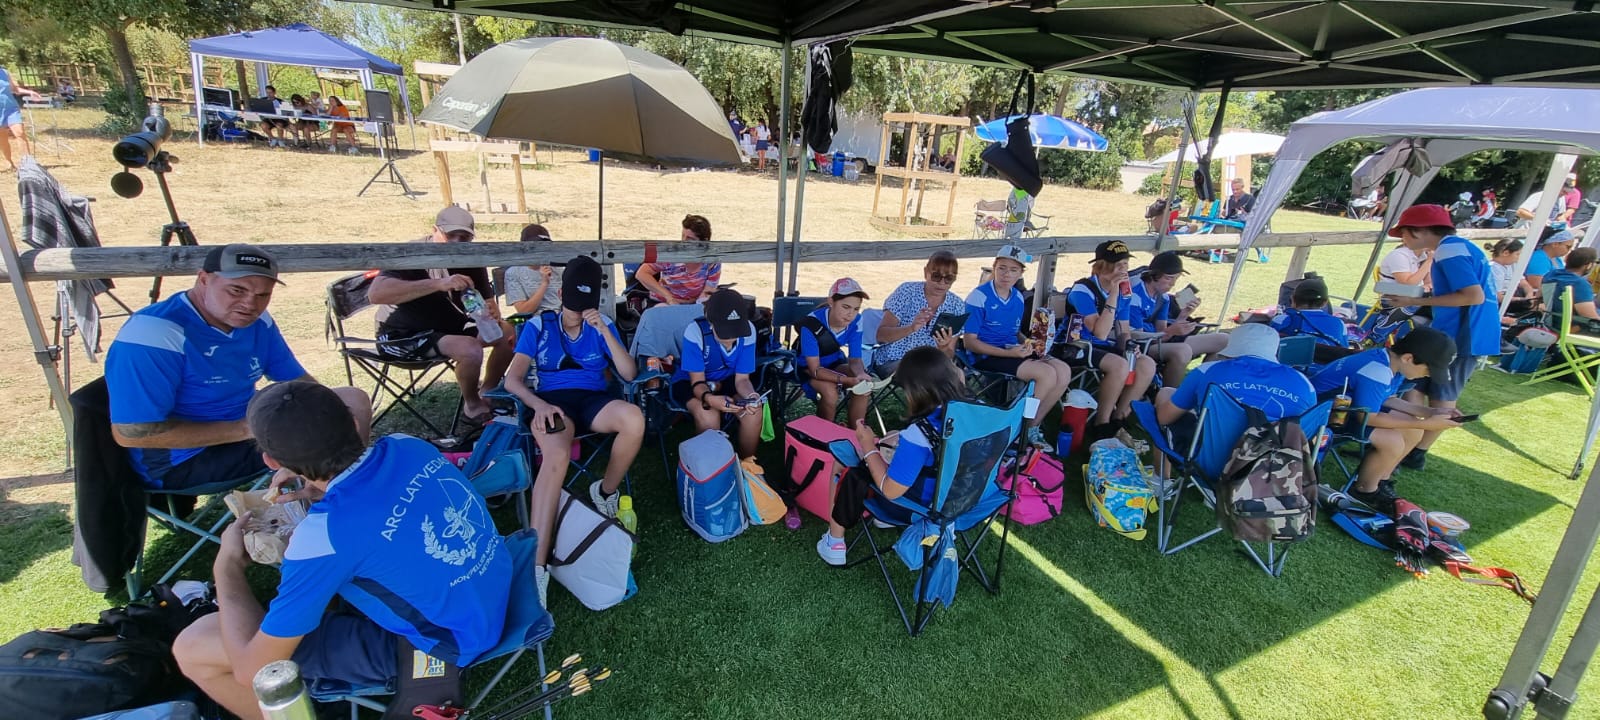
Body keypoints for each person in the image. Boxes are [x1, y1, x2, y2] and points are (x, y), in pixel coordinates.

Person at [172, 382, 510, 720]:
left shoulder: (322, 538)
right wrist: (325, 490)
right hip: (492, 592)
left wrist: (227, 567)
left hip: (445, 641)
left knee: (194, 645)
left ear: (271, 461)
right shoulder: (407, 445)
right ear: (352, 422)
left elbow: (255, 670)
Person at [105, 244, 371, 490]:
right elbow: (131, 434)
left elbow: (298, 380)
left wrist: (330, 414)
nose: (250, 304)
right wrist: (249, 429)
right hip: (184, 459)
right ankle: (340, 495)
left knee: (351, 400)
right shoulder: (155, 334)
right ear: (204, 279)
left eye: (263, 295)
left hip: (253, 427)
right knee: (314, 440)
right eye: (237, 291)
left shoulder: (257, 321)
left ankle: (338, 488)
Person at [503, 257, 643, 595]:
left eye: (585, 304)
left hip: (593, 399)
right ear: (562, 295)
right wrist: (537, 404)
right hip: (552, 401)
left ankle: (604, 491)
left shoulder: (601, 324)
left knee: (634, 419)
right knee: (556, 456)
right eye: (573, 303)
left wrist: (604, 331)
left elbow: (628, 373)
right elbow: (512, 379)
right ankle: (536, 567)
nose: (578, 312)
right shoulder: (539, 325)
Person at [815, 346, 969, 566]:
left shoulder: (920, 435)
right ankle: (881, 521)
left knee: (845, 462)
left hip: (920, 508)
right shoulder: (973, 413)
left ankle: (834, 542)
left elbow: (889, 489)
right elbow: (959, 375)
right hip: (963, 498)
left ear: (916, 391)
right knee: (891, 438)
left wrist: (868, 445)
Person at [368, 207, 516, 425]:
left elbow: (489, 304)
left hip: (450, 328)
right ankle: (472, 406)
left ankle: (488, 391)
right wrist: (437, 284)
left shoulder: (471, 258)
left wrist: (491, 314)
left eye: (464, 238)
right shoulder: (411, 252)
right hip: (402, 335)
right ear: (435, 230)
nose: (457, 242)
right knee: (469, 349)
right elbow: (376, 294)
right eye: (450, 235)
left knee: (509, 333)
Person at [1381, 204, 1501, 471]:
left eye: (1404, 233)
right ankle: (1407, 444)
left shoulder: (1449, 250)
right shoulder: (1457, 247)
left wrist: (1414, 300)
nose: (1403, 239)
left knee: (1443, 393)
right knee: (1414, 383)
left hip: (1464, 335)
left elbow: (1473, 296)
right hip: (1457, 331)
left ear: (1419, 230)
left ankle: (1416, 452)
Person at [1310, 328, 1461, 513]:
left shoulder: (1391, 362)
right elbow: (1368, 417)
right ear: (1408, 358)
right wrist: (1424, 423)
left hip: (1347, 409)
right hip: (1324, 417)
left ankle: (1380, 480)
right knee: (1392, 441)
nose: (1428, 375)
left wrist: (1431, 412)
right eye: (1429, 369)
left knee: (1414, 431)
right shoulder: (1378, 370)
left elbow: (1387, 398)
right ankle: (1364, 490)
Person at [965, 244, 1073, 448]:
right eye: (1002, 268)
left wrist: (1030, 344)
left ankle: (1032, 427)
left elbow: (1014, 332)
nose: (1006, 274)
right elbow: (970, 341)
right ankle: (1017, 429)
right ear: (994, 267)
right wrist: (1010, 353)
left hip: (1012, 350)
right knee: (1046, 374)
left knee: (1063, 370)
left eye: (1013, 270)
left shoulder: (1017, 297)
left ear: (1021, 273)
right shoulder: (979, 296)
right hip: (986, 354)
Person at [1154, 323, 1317, 447]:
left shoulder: (1207, 370)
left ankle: (1161, 476)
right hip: (1281, 466)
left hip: (1212, 463)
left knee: (1166, 394)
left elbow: (1165, 417)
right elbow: (1309, 434)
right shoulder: (1303, 383)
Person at [1065, 241, 1157, 433]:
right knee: (1119, 365)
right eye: (1118, 265)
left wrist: (1130, 347)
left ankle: (1120, 417)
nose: (1124, 270)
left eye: (1125, 264)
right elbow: (1099, 332)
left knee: (1146, 364)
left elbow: (1123, 329)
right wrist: (1113, 295)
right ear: (1102, 267)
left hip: (1102, 346)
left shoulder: (1125, 291)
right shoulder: (1083, 290)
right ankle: (1102, 423)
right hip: (1076, 345)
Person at [673, 288, 762, 460]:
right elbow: (697, 382)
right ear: (710, 322)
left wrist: (751, 396)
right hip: (691, 382)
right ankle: (711, 469)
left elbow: (742, 379)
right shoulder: (695, 332)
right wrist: (710, 399)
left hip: (727, 379)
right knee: (709, 416)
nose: (730, 338)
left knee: (754, 412)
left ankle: (747, 464)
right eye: (725, 332)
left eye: (736, 331)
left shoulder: (749, 331)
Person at [1128, 251, 1229, 386]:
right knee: (1182, 351)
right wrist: (1171, 332)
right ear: (1154, 275)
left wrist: (1184, 315)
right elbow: (1139, 338)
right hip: (1143, 346)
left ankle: (1201, 387)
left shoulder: (1163, 297)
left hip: (1159, 340)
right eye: (1169, 278)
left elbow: (1162, 330)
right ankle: (1170, 395)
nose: (1173, 284)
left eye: (1176, 278)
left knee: (1222, 340)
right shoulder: (1135, 296)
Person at [873, 250, 964, 376]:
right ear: (926, 272)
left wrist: (943, 347)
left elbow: (949, 355)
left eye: (949, 278)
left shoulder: (957, 305)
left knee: (958, 374)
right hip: (894, 360)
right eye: (936, 276)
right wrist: (911, 328)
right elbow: (881, 335)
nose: (942, 283)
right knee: (923, 374)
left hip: (932, 364)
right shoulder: (906, 291)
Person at [797, 278, 874, 427]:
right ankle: (824, 434)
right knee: (830, 392)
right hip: (806, 369)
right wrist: (845, 380)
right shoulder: (811, 324)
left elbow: (855, 359)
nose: (850, 314)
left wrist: (860, 374)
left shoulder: (857, 321)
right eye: (845, 307)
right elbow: (815, 370)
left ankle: (856, 432)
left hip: (834, 362)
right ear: (831, 301)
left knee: (863, 385)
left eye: (856, 309)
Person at [635, 215, 721, 305]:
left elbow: (708, 292)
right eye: (683, 236)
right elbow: (641, 274)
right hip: (663, 302)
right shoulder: (671, 254)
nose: (683, 241)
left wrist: (695, 308)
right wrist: (669, 297)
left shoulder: (712, 261)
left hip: (692, 305)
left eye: (690, 239)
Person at [1270, 277, 1349, 348]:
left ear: (1292, 299)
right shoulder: (1340, 324)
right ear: (1324, 303)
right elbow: (1344, 350)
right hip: (1329, 360)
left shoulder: (1281, 320)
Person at [504, 224, 562, 315]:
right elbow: (523, 311)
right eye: (535, 247)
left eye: (544, 246)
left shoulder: (559, 269)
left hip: (562, 316)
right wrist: (544, 284)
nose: (541, 251)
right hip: (535, 319)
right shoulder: (514, 273)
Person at [0, 65, 43, 171]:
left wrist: (30, 92)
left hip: (11, 109)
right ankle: (10, 163)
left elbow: (14, 89)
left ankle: (28, 164)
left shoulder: (4, 72)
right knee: (2, 138)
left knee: (20, 133)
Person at [1542, 247, 1600, 324]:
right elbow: (1591, 319)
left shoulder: (1551, 275)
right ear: (1589, 265)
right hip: (1569, 327)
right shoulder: (1580, 284)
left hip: (1546, 322)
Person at [1486, 238, 1538, 316]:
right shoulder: (1493, 268)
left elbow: (1525, 284)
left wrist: (1529, 295)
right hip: (1503, 303)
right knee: (1541, 308)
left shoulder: (1513, 265)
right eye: (1517, 254)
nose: (1519, 257)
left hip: (1516, 298)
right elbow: (1498, 297)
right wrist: (1522, 300)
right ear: (1506, 253)